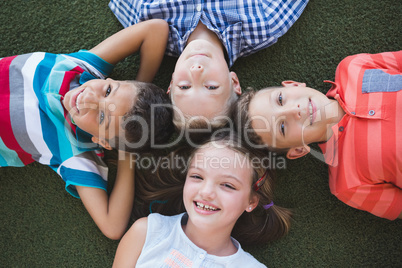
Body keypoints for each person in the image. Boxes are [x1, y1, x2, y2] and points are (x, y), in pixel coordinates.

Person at [0, 19, 174, 239]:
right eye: (109, 91)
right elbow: (156, 29)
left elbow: (113, 227)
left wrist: (127, 152)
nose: (89, 98)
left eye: (102, 117)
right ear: (112, 79)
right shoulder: (82, 69)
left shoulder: (76, 151)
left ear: (102, 141)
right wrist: (138, 87)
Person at [233, 51, 402, 220]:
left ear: (294, 85)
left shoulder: (353, 66)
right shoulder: (348, 184)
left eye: (280, 99)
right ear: (298, 150)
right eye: (282, 126)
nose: (294, 110)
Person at [109, 0, 309, 130]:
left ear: (171, 82)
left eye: (184, 86)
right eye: (211, 87)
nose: (196, 72)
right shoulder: (263, 25)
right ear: (234, 81)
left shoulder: (145, 18)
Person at [112, 133, 292, 267]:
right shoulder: (147, 232)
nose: (206, 192)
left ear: (251, 202)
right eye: (197, 177)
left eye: (228, 185)